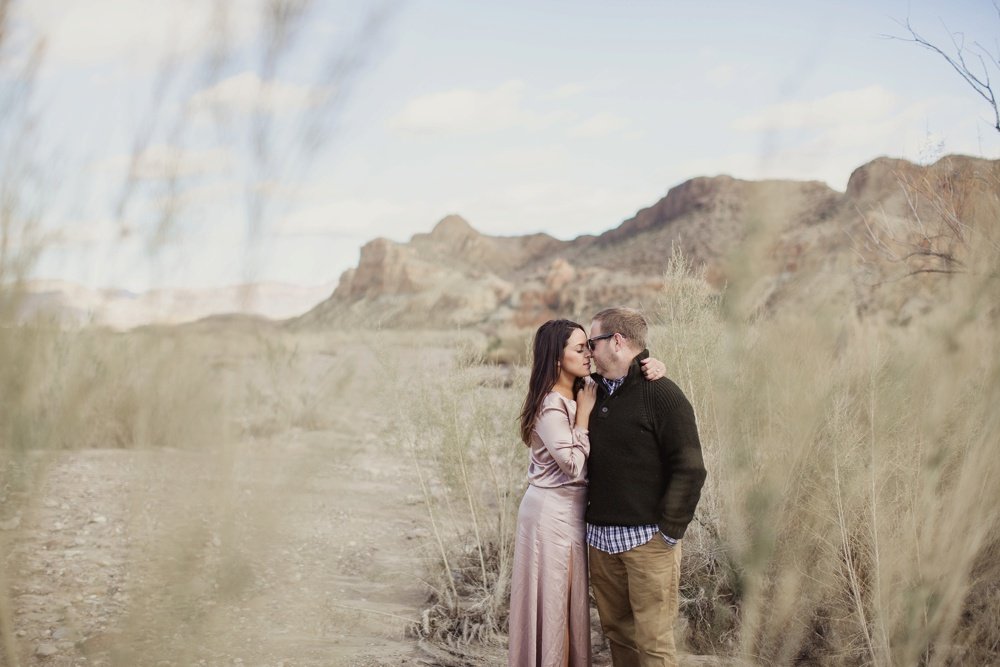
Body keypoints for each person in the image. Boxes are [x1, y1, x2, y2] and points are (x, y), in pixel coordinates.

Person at [509, 319, 665, 667]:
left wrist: (653, 364)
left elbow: (626, 374)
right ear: (556, 358)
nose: (589, 355)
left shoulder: (587, 388)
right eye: (580, 349)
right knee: (551, 604)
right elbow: (574, 466)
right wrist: (583, 418)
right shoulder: (552, 405)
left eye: (589, 346)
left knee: (567, 603)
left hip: (571, 516)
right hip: (549, 516)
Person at [585, 307, 707, 667]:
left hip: (647, 544)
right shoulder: (592, 392)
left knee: (653, 642)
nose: (590, 351)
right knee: (618, 636)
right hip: (600, 543)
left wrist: (667, 534)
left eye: (593, 342)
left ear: (617, 341)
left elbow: (690, 468)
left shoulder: (663, 395)